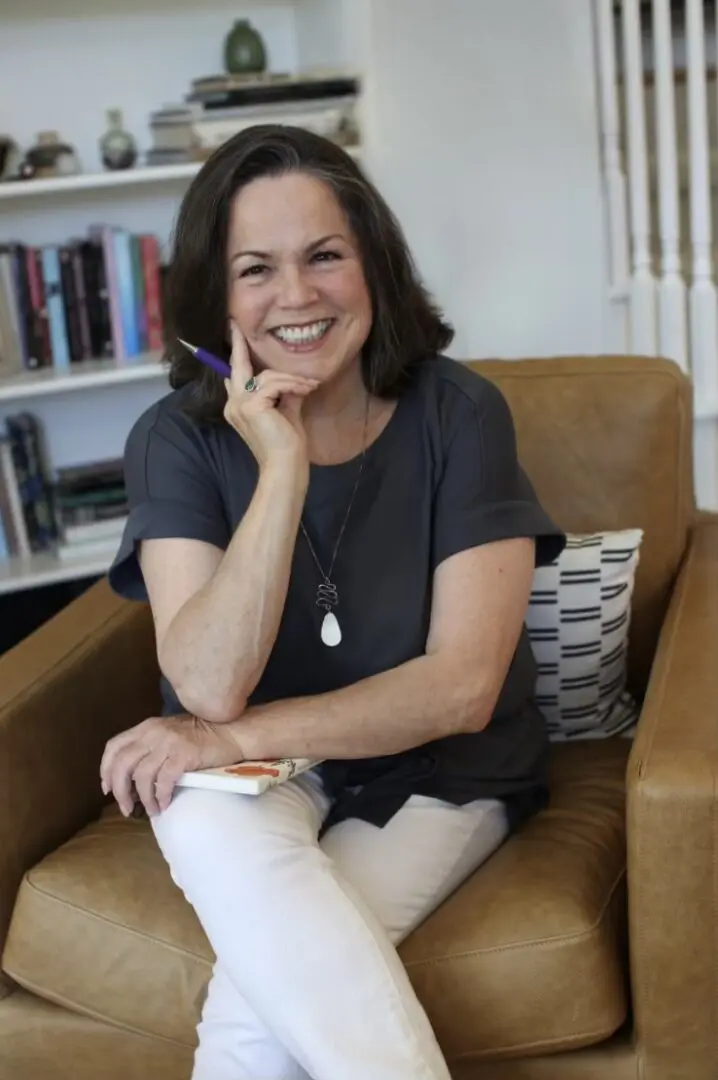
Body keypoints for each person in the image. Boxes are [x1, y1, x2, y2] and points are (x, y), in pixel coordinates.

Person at [100, 124, 565, 1080]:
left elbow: (462, 690)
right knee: (195, 813)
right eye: (255, 270)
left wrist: (222, 740)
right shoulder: (173, 439)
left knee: (256, 1023)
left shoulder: (460, 413)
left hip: (442, 773)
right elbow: (208, 684)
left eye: (325, 256)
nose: (298, 295)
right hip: (266, 770)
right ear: (213, 300)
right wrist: (281, 468)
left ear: (374, 267)